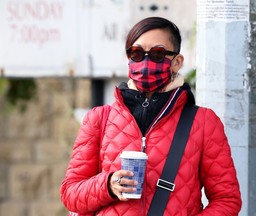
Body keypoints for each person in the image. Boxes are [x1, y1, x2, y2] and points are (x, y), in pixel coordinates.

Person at [60, 17, 242, 215]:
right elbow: (70, 194)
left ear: (177, 62)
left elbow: (227, 200)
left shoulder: (203, 122)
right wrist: (107, 185)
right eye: (137, 53)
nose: (145, 61)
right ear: (129, 59)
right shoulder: (99, 118)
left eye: (157, 53)